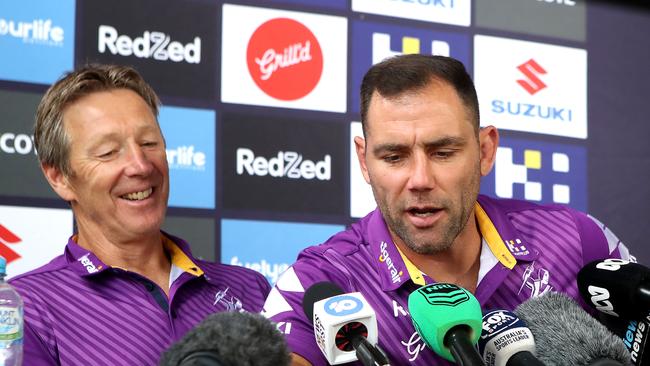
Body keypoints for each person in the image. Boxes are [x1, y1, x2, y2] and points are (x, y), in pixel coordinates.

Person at [262, 54, 633, 365]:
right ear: (364, 160)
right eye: (394, 156)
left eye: (443, 153)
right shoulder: (315, 286)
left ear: (485, 151)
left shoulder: (577, 240)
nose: (420, 179)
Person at [9, 64, 271, 365]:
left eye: (149, 143)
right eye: (108, 152)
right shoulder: (25, 309)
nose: (141, 165)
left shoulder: (249, 288)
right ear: (59, 178)